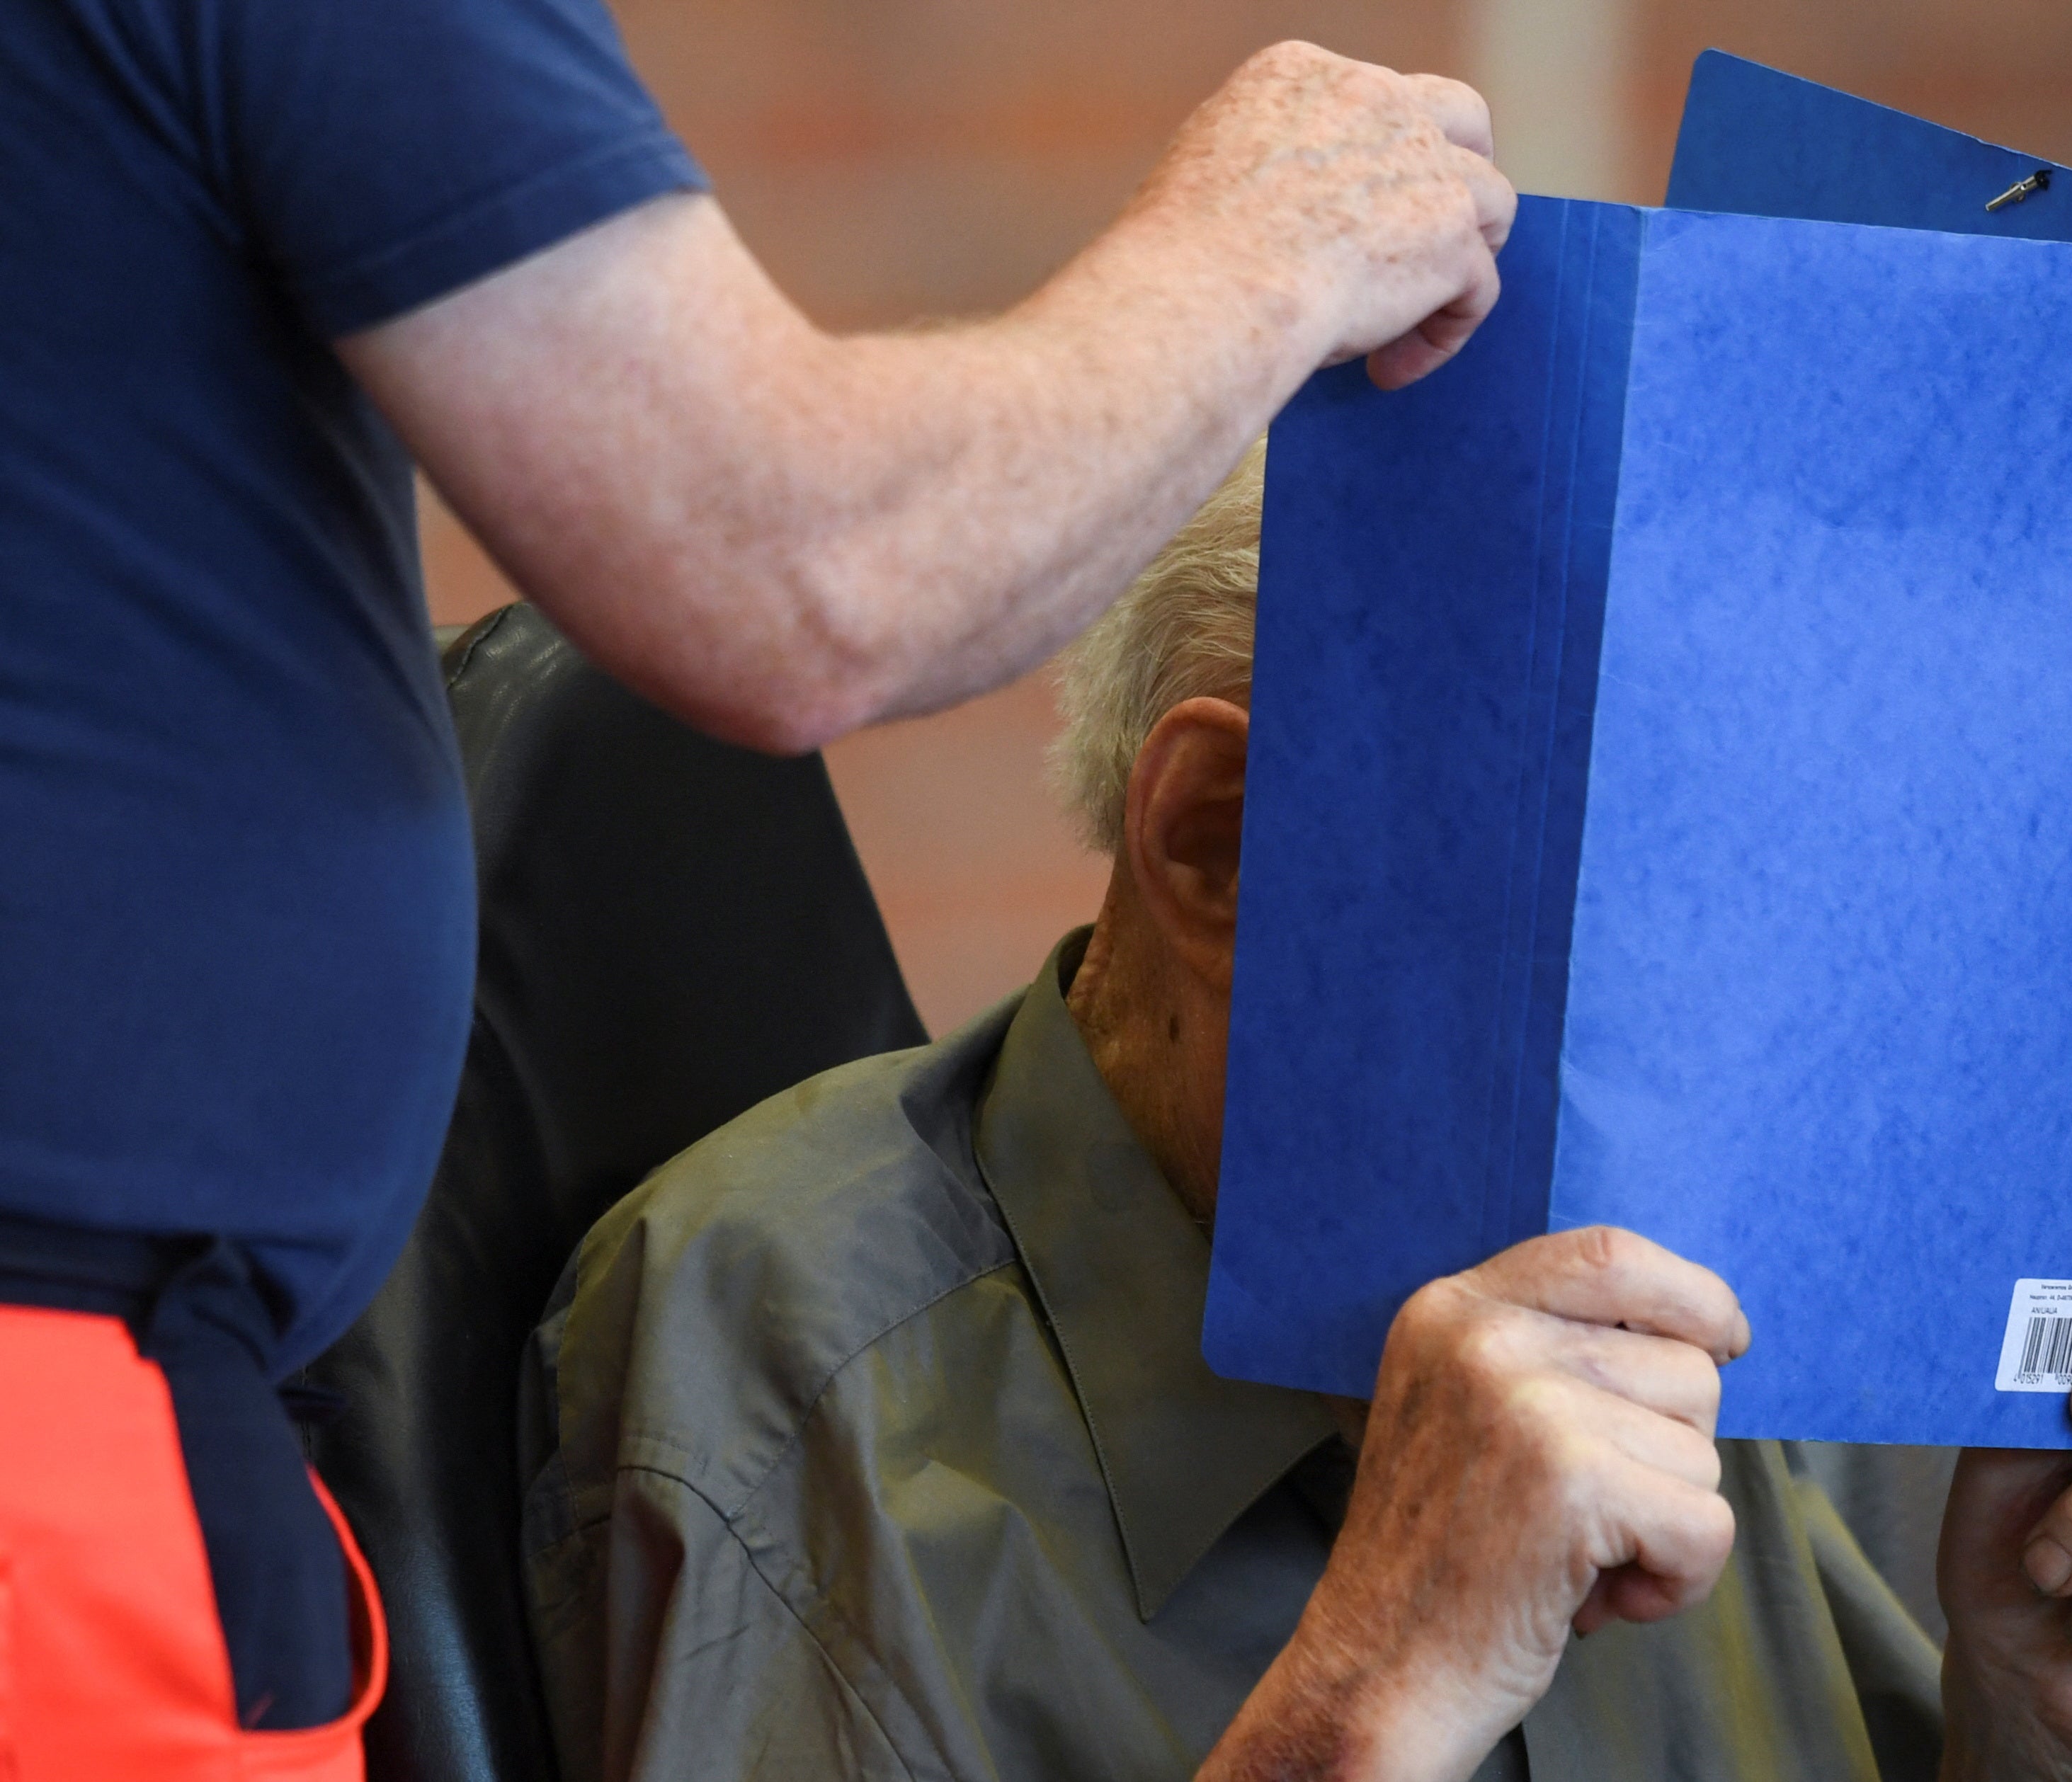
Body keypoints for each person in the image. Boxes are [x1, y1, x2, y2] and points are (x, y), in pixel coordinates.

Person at [0, 0, 1511, 1766]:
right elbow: (799, 568)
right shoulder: (808, 1389)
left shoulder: (1751, 1435)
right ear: (1207, 835)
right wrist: (1268, 245)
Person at [520, 448, 2072, 1781]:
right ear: (1217, 841)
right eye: (1635, 911)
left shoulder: (1761, 1295)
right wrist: (1375, 1698)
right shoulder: (773, 1356)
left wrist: (2058, 1735)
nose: (1727, 1057)